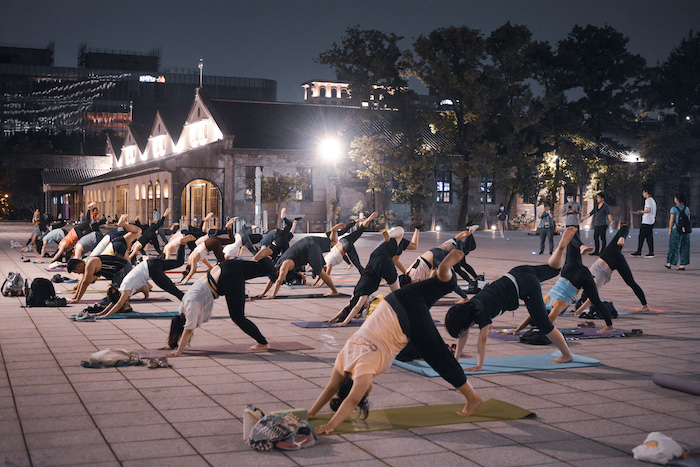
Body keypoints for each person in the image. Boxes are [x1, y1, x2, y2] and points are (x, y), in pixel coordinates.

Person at [308, 250, 482, 435]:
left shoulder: (364, 371)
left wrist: (330, 426)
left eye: (366, 392)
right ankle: (444, 274)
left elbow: (351, 400)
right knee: (441, 284)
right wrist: (311, 413)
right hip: (396, 298)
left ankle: (473, 398)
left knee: (439, 357)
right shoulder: (343, 360)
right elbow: (331, 388)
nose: (368, 389)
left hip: (407, 319)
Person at [445, 227, 580, 369]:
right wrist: (456, 359)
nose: (464, 333)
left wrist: (479, 365)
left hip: (525, 286)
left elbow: (482, 340)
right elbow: (463, 335)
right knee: (554, 269)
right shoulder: (470, 305)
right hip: (517, 272)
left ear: (466, 322)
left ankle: (566, 354)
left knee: (544, 324)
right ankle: (560, 248)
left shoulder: (481, 313)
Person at [165, 257, 276, 354]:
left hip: (228, 277)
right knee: (262, 269)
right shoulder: (184, 305)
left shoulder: (192, 305)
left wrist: (179, 351)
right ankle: (265, 258)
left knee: (238, 317)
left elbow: (188, 330)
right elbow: (184, 327)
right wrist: (171, 345)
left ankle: (262, 343)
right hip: (224, 266)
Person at [512, 230, 615, 334]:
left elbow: (547, 322)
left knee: (596, 300)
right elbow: (531, 317)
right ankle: (581, 246)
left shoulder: (556, 306)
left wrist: (523, 331)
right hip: (568, 271)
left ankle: (610, 326)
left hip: (580, 277)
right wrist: (516, 330)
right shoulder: (545, 301)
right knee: (571, 233)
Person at [327, 226, 418, 326]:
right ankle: (390, 235)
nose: (367, 304)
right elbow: (348, 307)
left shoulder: (363, 294)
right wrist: (332, 319)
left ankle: (408, 315)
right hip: (375, 255)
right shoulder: (355, 293)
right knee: (400, 231)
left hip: (383, 263)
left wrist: (344, 322)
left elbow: (356, 307)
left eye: (365, 306)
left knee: (398, 294)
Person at [92, 235, 195, 318]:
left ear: (119, 296)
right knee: (179, 262)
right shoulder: (122, 287)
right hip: (151, 263)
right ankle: (182, 243)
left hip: (151, 270)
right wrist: (101, 313)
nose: (124, 302)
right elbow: (114, 303)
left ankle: (193, 305)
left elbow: (118, 304)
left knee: (173, 290)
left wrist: (105, 316)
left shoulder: (125, 289)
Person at [574, 225, 649, 314]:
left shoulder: (594, 284)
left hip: (614, 262)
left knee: (631, 282)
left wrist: (577, 312)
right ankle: (621, 237)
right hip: (607, 255)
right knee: (624, 227)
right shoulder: (585, 280)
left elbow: (589, 301)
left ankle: (645, 306)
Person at [257, 228, 343, 299]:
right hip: (308, 240)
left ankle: (334, 291)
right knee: (333, 243)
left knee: (320, 271)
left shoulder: (284, 265)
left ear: (277, 272)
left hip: (309, 248)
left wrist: (272, 295)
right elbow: (272, 280)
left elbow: (279, 280)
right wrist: (263, 293)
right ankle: (334, 231)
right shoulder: (278, 263)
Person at [179, 217, 239, 284]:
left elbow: (192, 271)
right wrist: (211, 267)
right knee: (232, 240)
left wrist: (186, 281)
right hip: (211, 240)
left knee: (222, 262)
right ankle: (228, 227)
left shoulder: (193, 259)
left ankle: (227, 278)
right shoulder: (191, 258)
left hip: (213, 244)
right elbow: (206, 262)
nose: (195, 267)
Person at [666, 193, 691, 271]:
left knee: (673, 246)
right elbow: (688, 220)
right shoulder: (687, 209)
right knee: (684, 247)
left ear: (677, 199)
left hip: (676, 229)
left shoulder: (673, 209)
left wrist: (670, 230)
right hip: (685, 231)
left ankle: (669, 263)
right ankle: (682, 264)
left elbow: (671, 220)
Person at [631, 189, 657, 258]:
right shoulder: (653, 200)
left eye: (643, 192)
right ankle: (651, 252)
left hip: (646, 221)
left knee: (641, 237)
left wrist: (640, 211)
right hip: (651, 221)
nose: (643, 194)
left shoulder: (648, 200)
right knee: (649, 237)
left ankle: (639, 251)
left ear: (646, 192)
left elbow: (648, 210)